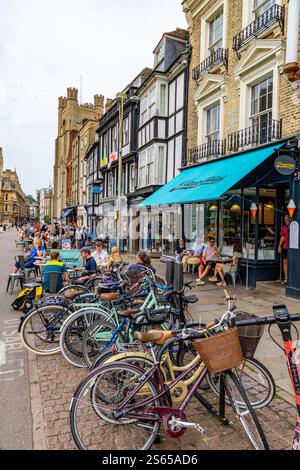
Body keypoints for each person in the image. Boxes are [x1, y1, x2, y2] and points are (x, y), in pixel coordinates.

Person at [278, 213, 290, 285]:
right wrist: (279, 246)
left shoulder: (293, 226)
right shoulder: (284, 227)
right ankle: (286, 278)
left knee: (290, 262)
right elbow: (282, 237)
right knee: (284, 262)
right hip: (285, 247)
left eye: (287, 219)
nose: (286, 221)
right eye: (285, 220)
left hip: (292, 248)